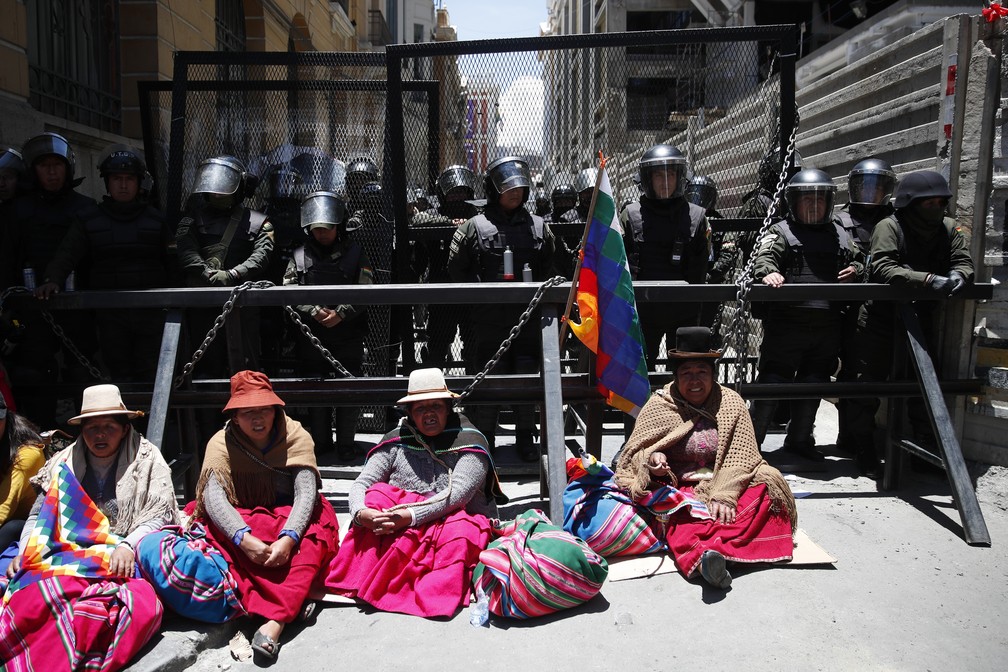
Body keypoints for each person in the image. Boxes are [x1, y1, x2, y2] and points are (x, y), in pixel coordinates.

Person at [0, 384, 178, 670]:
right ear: (82, 430)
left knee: (104, 609)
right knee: (23, 591)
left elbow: (160, 514)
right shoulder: (63, 463)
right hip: (67, 550)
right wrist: (26, 550)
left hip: (120, 551)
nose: (100, 434)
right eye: (92, 427)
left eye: (108, 426)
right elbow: (38, 516)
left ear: (123, 428)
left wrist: (126, 545)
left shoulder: (146, 459)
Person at [612, 327, 797, 588]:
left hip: (726, 482)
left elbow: (743, 455)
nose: (695, 380)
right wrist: (653, 463)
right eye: (686, 373)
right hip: (679, 485)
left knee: (766, 493)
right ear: (675, 377)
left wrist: (724, 494)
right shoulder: (659, 405)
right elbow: (635, 452)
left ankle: (715, 552)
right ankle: (707, 558)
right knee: (680, 513)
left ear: (714, 375)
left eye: (702, 372)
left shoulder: (730, 402)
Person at [325, 368, 505, 617]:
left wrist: (409, 515)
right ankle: (364, 580)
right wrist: (360, 513)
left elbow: (458, 495)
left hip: (451, 519)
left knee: (462, 528)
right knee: (377, 495)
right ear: (409, 413)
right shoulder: (395, 442)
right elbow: (362, 483)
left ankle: (426, 592)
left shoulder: (471, 443)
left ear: (448, 408)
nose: (429, 414)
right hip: (400, 523)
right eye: (420, 408)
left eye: (436, 406)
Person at [188, 370, 339, 661]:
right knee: (223, 551)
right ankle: (295, 603)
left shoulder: (296, 435)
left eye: (263, 410)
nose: (257, 420)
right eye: (247, 413)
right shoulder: (220, 444)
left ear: (275, 410)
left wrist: (290, 538)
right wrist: (242, 538)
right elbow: (214, 497)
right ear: (234, 417)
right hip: (243, 516)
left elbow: (306, 493)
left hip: (289, 514)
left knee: (310, 545)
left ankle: (275, 623)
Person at [847, 170, 974, 467]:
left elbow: (963, 261)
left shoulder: (950, 228)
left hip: (920, 318)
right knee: (868, 385)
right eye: (929, 203)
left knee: (924, 387)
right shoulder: (889, 227)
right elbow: (883, 268)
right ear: (910, 204)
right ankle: (863, 446)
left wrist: (959, 276)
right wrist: (927, 279)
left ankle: (924, 450)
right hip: (879, 319)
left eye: (941, 202)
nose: (937, 208)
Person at [748, 168, 865, 461]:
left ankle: (800, 441)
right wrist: (769, 272)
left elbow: (864, 261)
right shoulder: (781, 232)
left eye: (819, 200)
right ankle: (750, 447)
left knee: (814, 383)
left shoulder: (840, 233)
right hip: (788, 324)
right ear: (794, 203)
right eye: (806, 200)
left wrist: (858, 270)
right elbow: (763, 259)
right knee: (771, 385)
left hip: (827, 324)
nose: (813, 206)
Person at [448, 156, 556, 461]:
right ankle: (484, 444)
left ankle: (526, 441)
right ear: (494, 190)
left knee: (526, 381)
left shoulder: (538, 227)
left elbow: (550, 267)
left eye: (520, 188)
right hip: (488, 324)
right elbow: (457, 270)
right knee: (487, 385)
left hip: (528, 321)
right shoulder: (473, 227)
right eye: (508, 188)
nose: (515, 193)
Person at [36, 144, 171, 381]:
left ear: (139, 182)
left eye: (129, 179)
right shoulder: (89, 219)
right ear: (107, 182)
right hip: (110, 312)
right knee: (118, 370)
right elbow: (68, 252)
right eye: (117, 178)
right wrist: (52, 279)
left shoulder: (157, 221)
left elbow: (173, 263)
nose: (123, 185)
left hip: (151, 311)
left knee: (151, 370)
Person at [1, 132, 98, 424]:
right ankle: (40, 435)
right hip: (31, 307)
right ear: (34, 170)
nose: (52, 172)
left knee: (83, 373)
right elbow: (7, 258)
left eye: (57, 164)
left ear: (68, 167)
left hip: (78, 306)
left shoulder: (85, 208)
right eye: (44, 166)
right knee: (33, 373)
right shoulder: (19, 210)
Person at [283, 191, 374, 460]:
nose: (322, 234)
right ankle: (320, 444)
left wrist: (341, 313)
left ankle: (346, 445)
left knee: (348, 389)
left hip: (348, 333)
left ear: (338, 227)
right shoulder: (299, 255)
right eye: (317, 229)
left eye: (327, 229)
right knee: (315, 389)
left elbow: (366, 288)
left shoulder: (356, 253)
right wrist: (313, 311)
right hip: (312, 335)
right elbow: (288, 288)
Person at [175, 155, 273, 373]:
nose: (218, 191)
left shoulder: (259, 222)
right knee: (204, 366)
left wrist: (233, 274)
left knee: (247, 368)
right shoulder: (191, 220)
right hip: (202, 304)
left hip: (242, 303)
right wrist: (205, 272)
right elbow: (186, 250)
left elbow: (261, 256)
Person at [621, 144, 710, 370]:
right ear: (647, 179)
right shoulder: (630, 215)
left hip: (683, 310)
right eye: (659, 175)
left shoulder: (697, 216)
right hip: (641, 310)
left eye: (671, 174)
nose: (666, 181)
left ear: (680, 177)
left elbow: (700, 271)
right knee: (638, 375)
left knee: (683, 373)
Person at [834, 158, 897, 474]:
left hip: (877, 310)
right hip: (844, 308)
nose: (871, 193)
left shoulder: (896, 221)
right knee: (847, 373)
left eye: (878, 186)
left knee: (862, 376)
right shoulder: (840, 221)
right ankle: (852, 437)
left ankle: (858, 439)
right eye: (865, 185)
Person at [412, 165, 479, 371]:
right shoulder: (436, 214)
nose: (457, 197)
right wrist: (451, 223)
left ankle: (474, 401)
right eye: (452, 193)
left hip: (473, 292)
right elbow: (417, 219)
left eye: (461, 192)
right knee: (437, 349)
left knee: (474, 349)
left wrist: (467, 224)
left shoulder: (477, 214)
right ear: (443, 195)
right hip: (442, 293)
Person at [0, 393, 45, 551]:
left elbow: (3, 507)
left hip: (24, 525)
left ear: (6, 416)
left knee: (12, 527)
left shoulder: (28, 453)